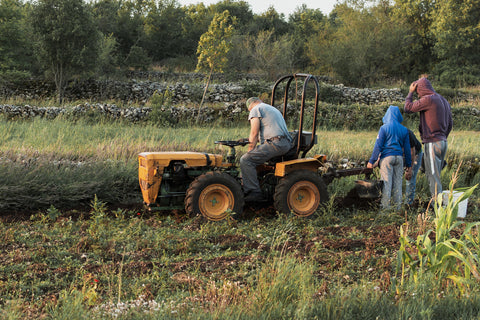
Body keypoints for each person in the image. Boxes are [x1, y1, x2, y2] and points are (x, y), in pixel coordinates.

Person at [404, 77, 452, 199]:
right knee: (434, 172)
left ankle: (437, 206)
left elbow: (408, 108)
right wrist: (442, 137)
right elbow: (450, 124)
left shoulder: (428, 99)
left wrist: (410, 92)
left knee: (433, 176)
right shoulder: (443, 100)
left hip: (432, 142)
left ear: (421, 89)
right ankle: (438, 201)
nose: (418, 95)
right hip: (443, 142)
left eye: (417, 92)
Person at [240, 97, 292, 202]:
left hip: (275, 144)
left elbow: (254, 133)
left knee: (246, 160)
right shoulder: (270, 108)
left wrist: (250, 149)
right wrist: (247, 140)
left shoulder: (255, 110)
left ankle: (253, 192)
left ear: (250, 108)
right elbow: (268, 132)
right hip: (284, 142)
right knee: (254, 159)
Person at [367, 105, 412, 211]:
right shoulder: (404, 130)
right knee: (398, 184)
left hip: (387, 158)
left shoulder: (384, 128)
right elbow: (407, 149)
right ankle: (397, 209)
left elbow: (378, 146)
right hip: (399, 158)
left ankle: (385, 210)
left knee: (386, 184)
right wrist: (409, 166)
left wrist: (371, 161)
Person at [405, 129, 423, 205]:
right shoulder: (388, 132)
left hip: (416, 154)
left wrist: (409, 169)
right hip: (402, 154)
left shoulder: (408, 133)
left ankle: (408, 203)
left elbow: (412, 152)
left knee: (410, 178)